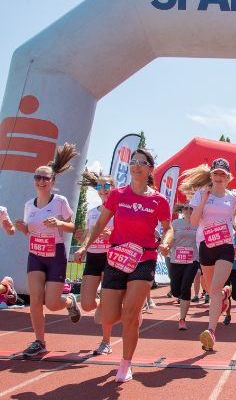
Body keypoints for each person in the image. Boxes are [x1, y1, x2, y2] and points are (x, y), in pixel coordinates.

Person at [74, 148, 173, 382]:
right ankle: (132, 315)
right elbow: (100, 224)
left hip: (144, 258)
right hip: (117, 257)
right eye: (133, 162)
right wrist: (84, 247)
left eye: (141, 162)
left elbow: (168, 228)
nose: (136, 165)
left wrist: (166, 243)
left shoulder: (158, 200)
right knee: (107, 316)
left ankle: (125, 364)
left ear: (149, 169)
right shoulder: (118, 195)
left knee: (129, 313)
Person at [14, 143, 82, 357]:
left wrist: (60, 223)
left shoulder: (60, 201)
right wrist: (22, 228)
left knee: (52, 303)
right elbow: (29, 231)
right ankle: (39, 341)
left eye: (45, 178)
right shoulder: (29, 205)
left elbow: (72, 226)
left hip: (55, 254)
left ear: (53, 181)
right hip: (35, 254)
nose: (41, 181)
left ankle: (69, 301)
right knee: (35, 299)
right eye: (38, 177)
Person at [181, 158, 236, 351]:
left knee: (214, 288)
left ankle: (211, 331)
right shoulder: (200, 194)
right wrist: (204, 200)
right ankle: (225, 294)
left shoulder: (233, 197)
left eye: (222, 174)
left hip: (225, 244)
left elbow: (233, 215)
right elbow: (194, 222)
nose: (219, 177)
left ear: (228, 178)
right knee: (211, 289)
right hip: (205, 244)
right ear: (211, 175)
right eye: (216, 173)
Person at [75, 170, 115, 354]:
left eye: (106, 185)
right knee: (87, 304)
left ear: (113, 188)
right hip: (93, 257)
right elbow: (89, 235)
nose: (103, 189)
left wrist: (112, 235)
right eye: (99, 186)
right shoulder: (92, 212)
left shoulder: (119, 211)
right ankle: (106, 306)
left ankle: (106, 342)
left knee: (106, 301)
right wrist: (81, 242)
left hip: (111, 257)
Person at [169, 203, 200, 330]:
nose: (188, 210)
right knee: (176, 290)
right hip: (176, 259)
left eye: (191, 208)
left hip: (193, 259)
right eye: (186, 208)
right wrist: (166, 245)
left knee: (186, 286)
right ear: (182, 210)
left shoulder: (198, 224)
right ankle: (178, 295)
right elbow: (169, 237)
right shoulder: (176, 223)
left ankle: (182, 319)